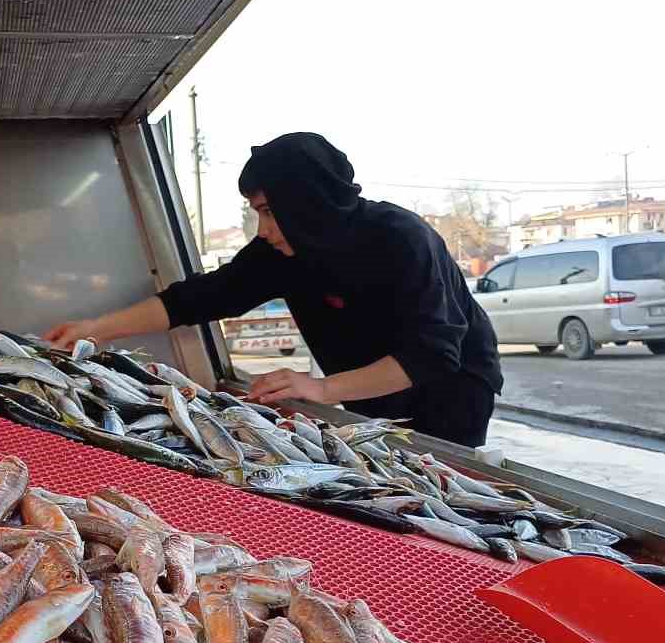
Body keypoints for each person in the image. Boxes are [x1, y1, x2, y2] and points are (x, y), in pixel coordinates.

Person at [44, 132, 503, 446]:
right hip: (367, 390)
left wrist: (320, 389)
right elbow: (201, 297)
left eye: (267, 211)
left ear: (309, 204)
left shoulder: (402, 238)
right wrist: (97, 329)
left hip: (452, 393)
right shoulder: (282, 249)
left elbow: (433, 353)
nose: (261, 229)